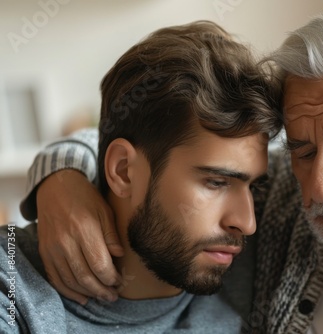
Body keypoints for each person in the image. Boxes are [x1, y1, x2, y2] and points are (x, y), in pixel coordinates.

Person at [15, 2, 323, 333]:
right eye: (301, 151)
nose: (321, 188)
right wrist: (63, 177)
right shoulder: (277, 202)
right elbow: (148, 141)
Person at [0, 21, 282, 333]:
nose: (246, 223)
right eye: (216, 182)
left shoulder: (260, 264)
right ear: (123, 171)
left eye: (253, 186)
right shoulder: (13, 285)